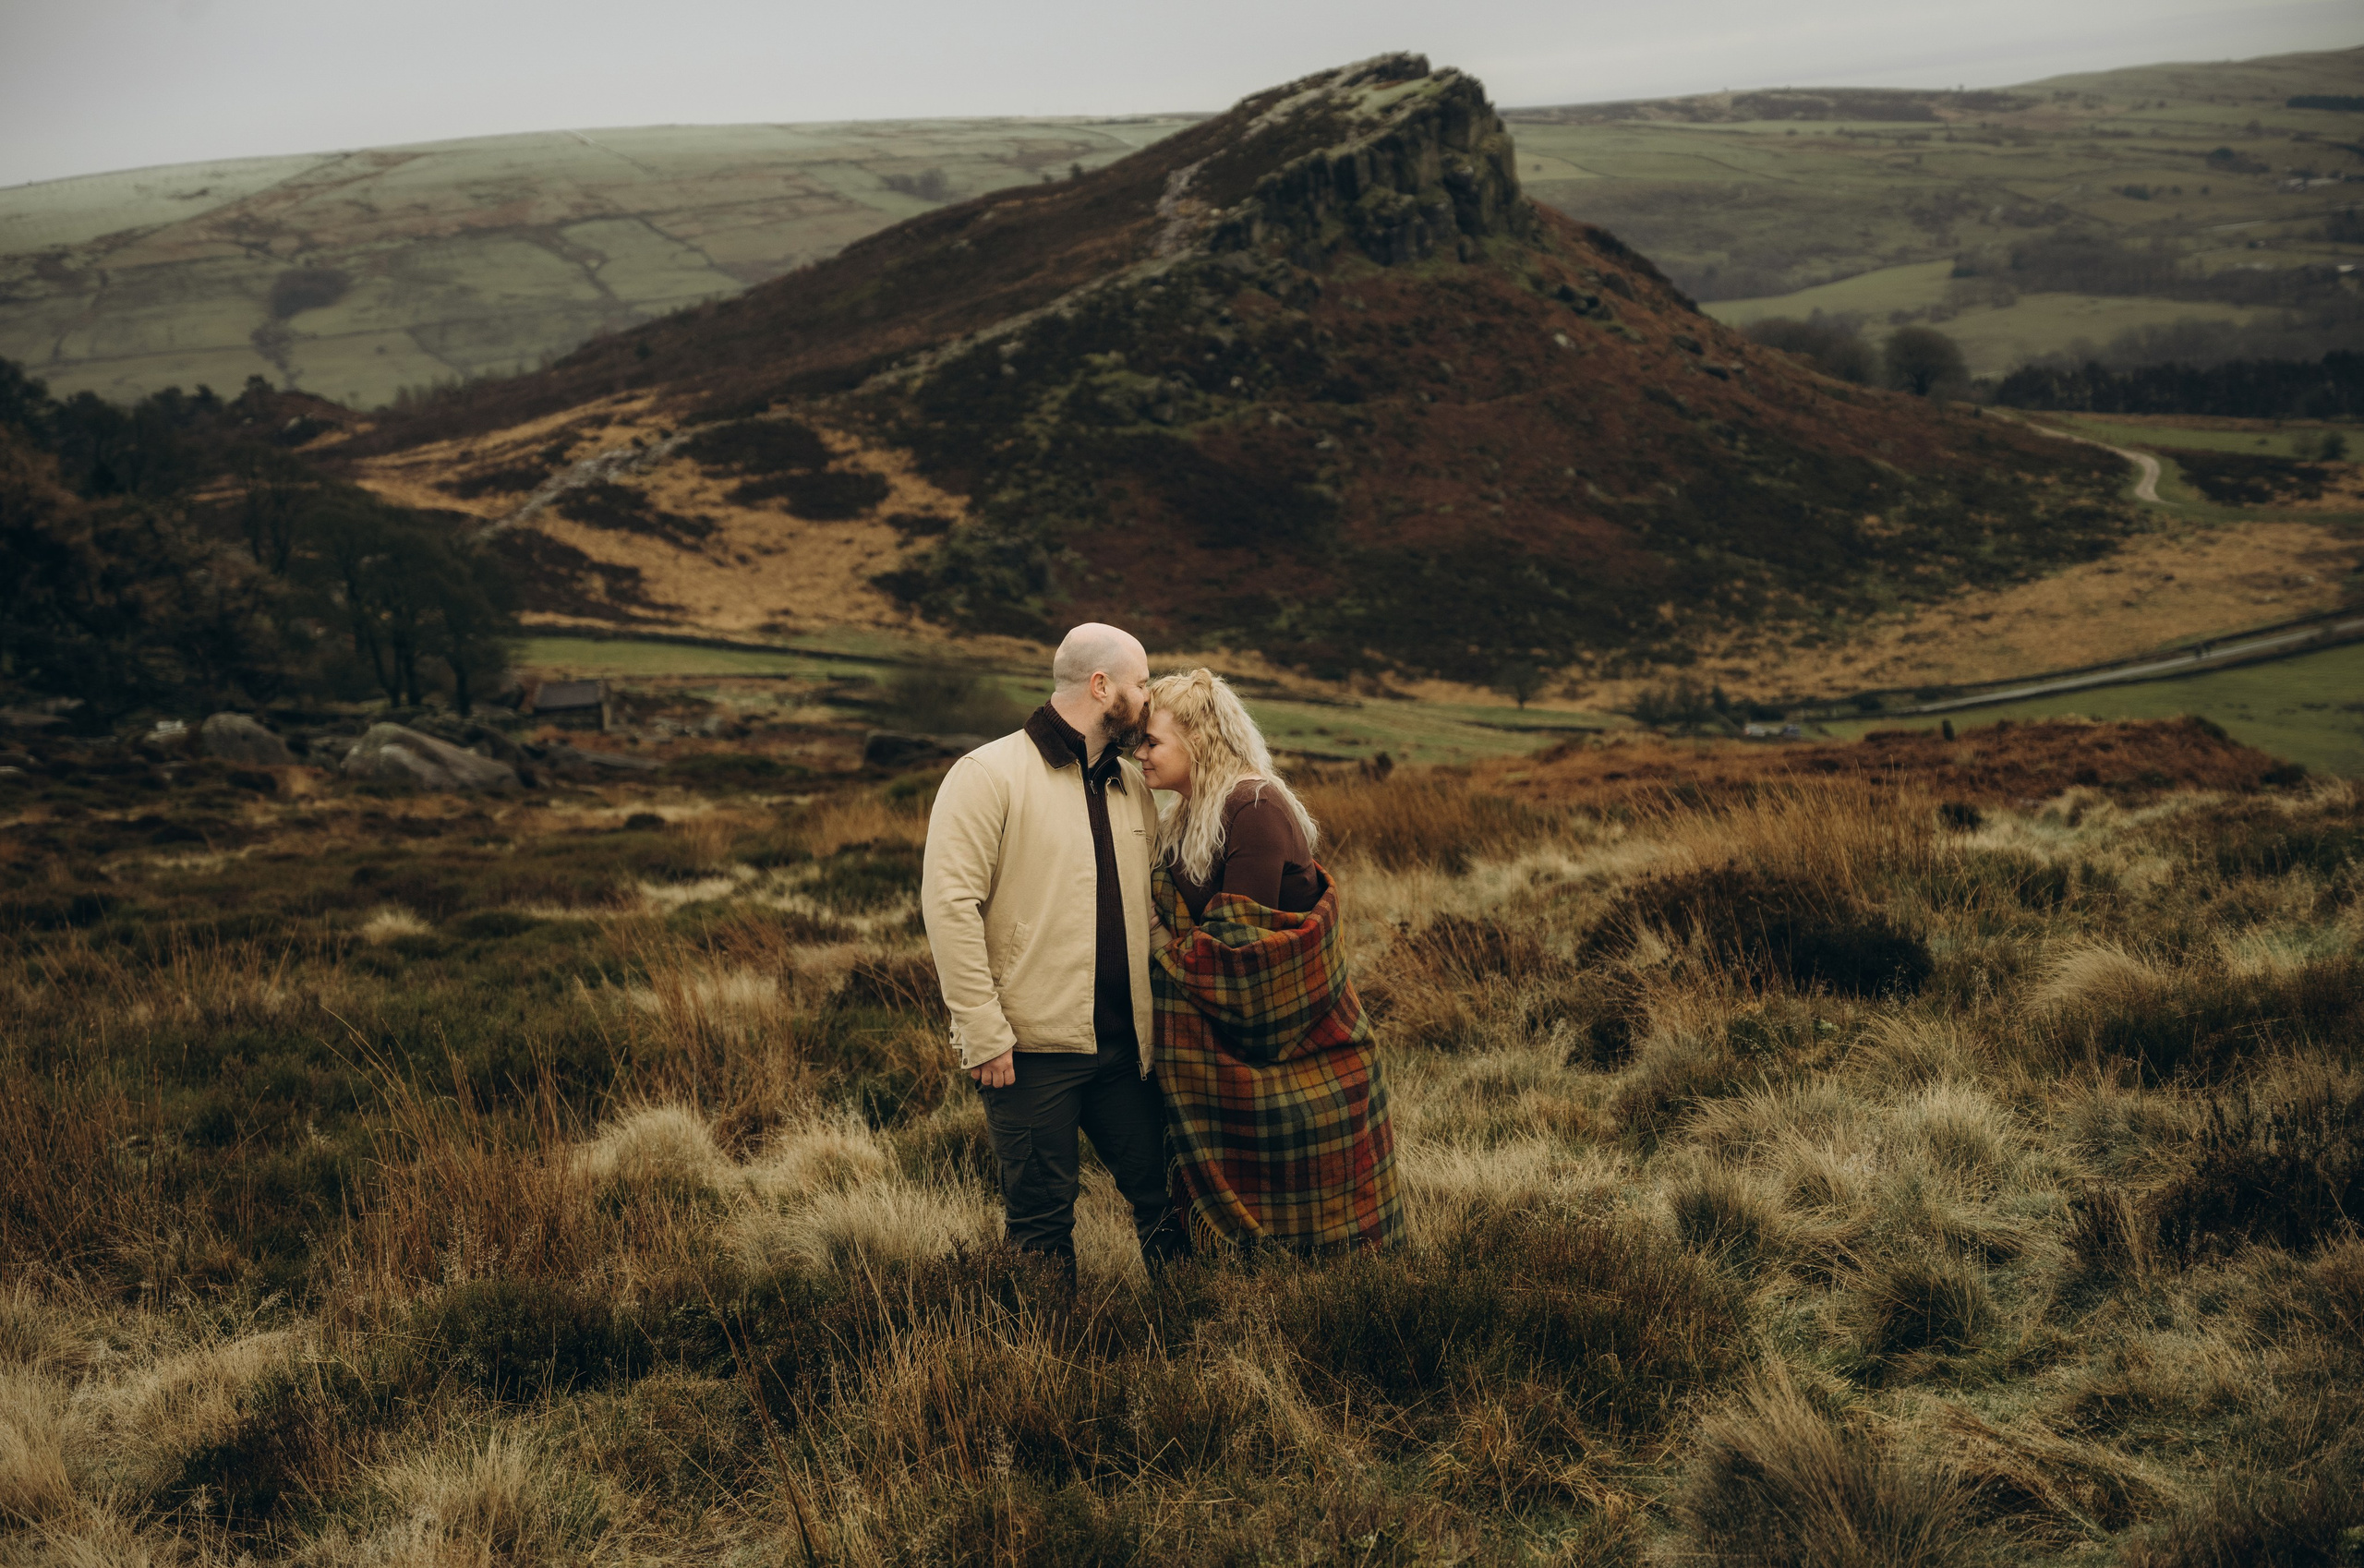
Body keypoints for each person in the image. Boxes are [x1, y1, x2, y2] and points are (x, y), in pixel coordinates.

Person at [919, 623, 1188, 1276]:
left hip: (1128, 1050)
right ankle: (1048, 1366)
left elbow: (1148, 913)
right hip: (1028, 1053)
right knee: (1040, 1224)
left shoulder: (1131, 786)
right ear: (1101, 687)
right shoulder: (986, 775)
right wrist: (983, 1034)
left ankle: (1193, 1338)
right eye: (1140, 683)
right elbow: (950, 907)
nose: (1148, 698)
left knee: (1171, 1201)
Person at [1134, 668, 1405, 1252]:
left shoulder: (1253, 806)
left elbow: (1244, 960)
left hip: (1308, 1054)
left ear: (1200, 740)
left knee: (1333, 1254)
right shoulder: (1187, 813)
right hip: (1247, 1054)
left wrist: (1158, 939)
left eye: (1152, 741)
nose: (1141, 754)